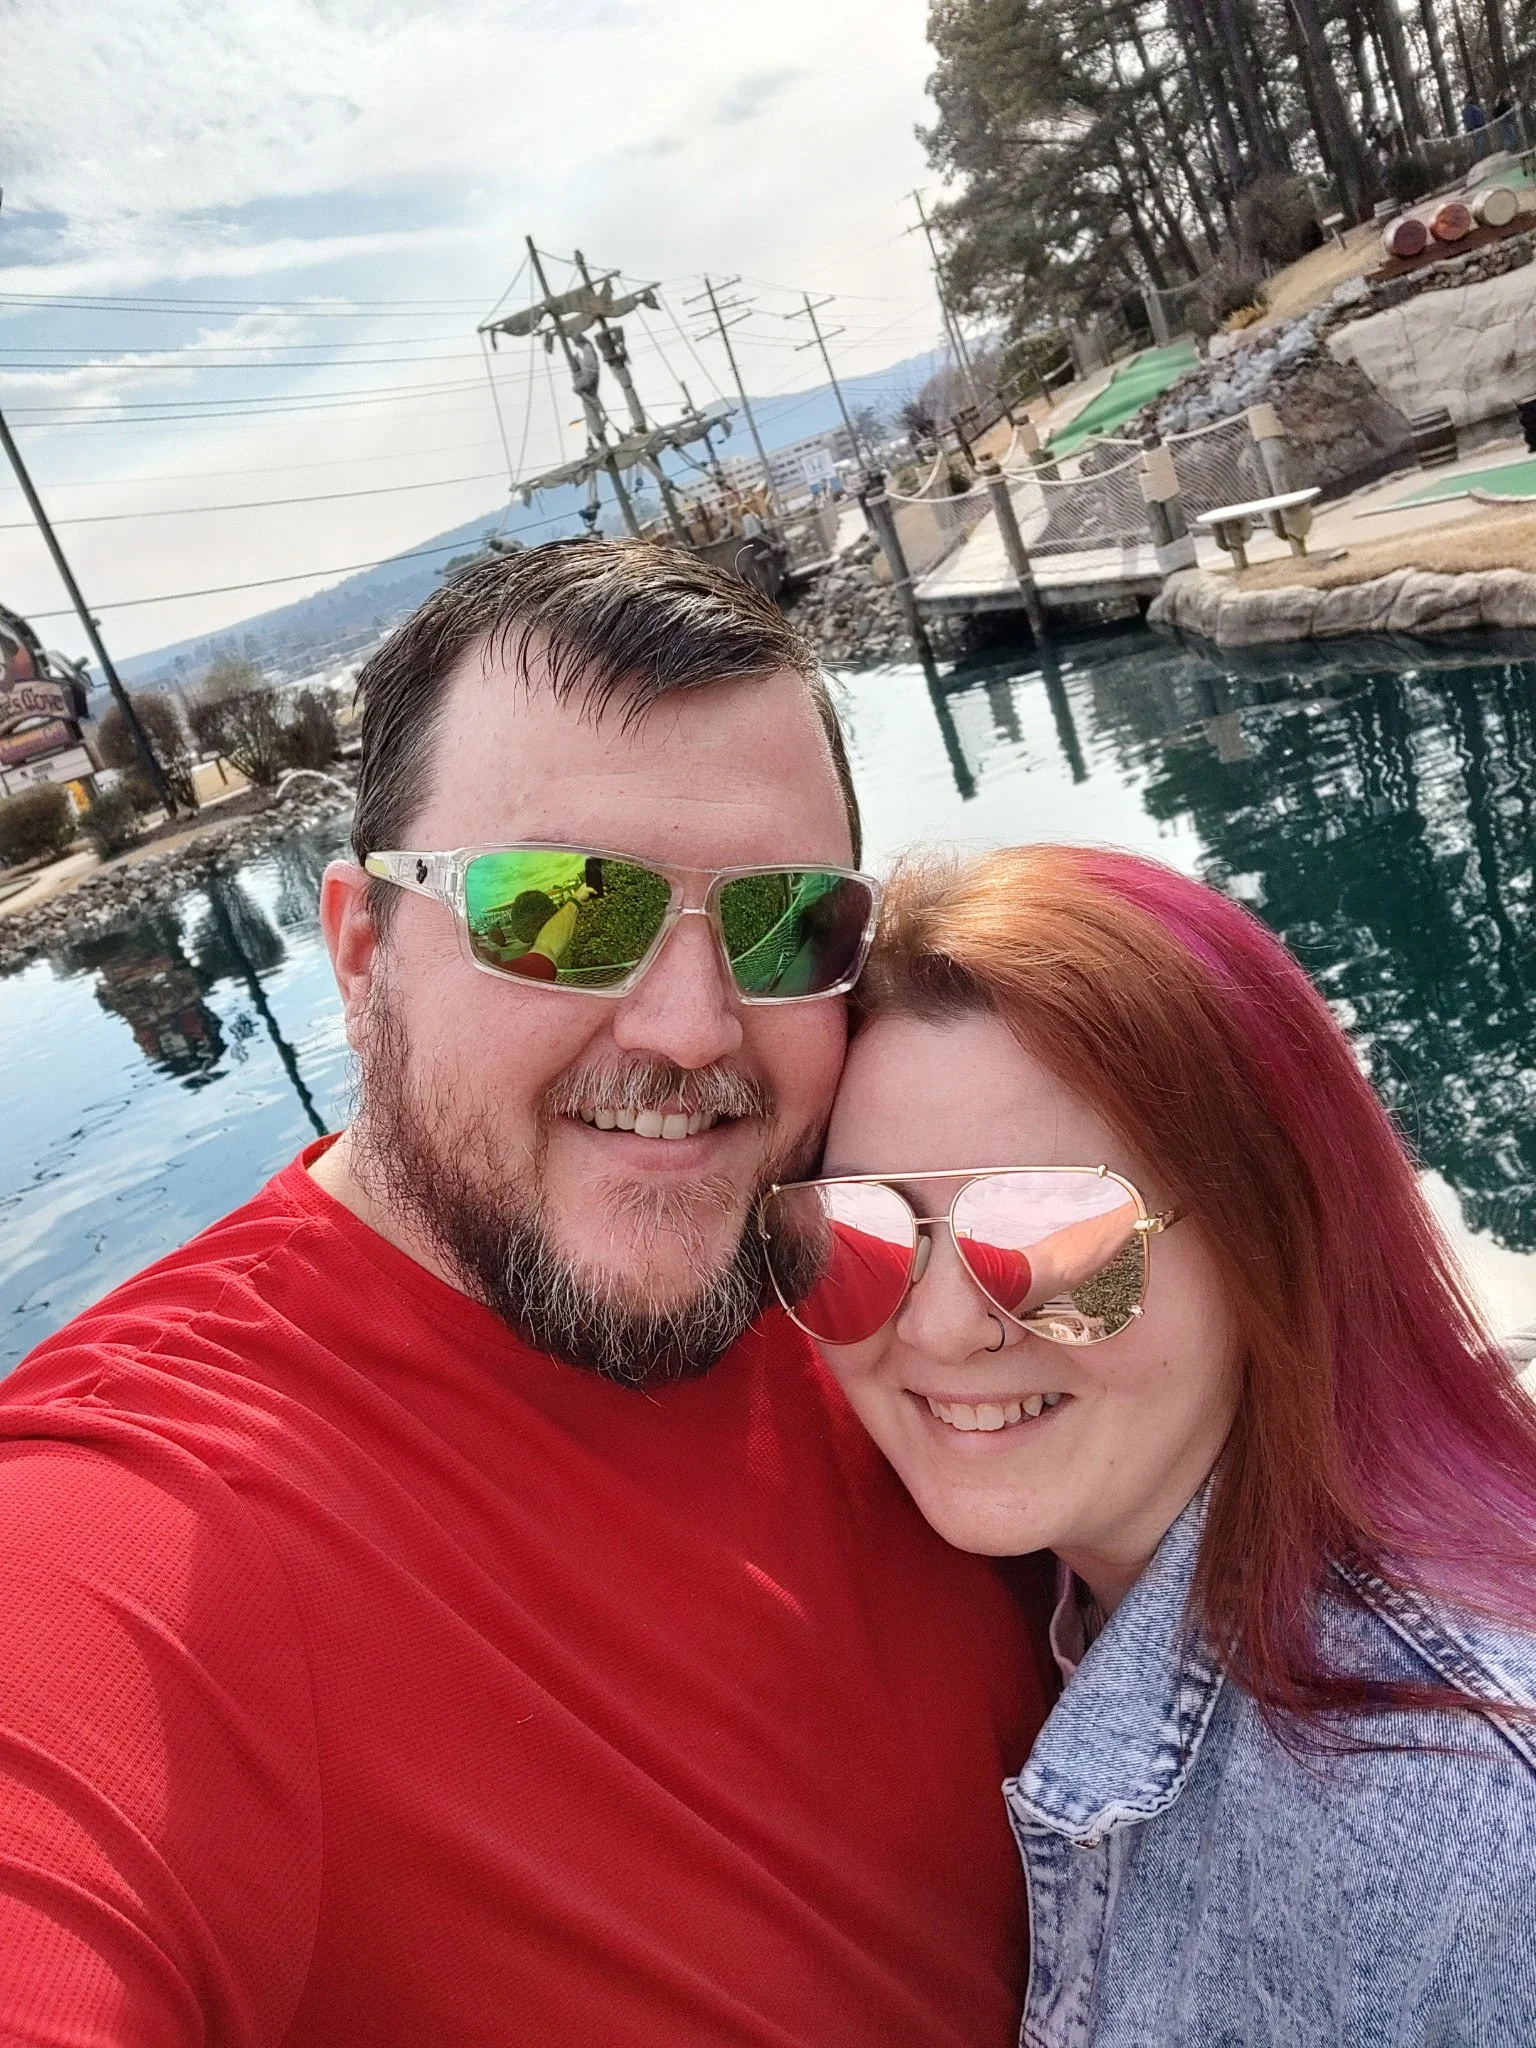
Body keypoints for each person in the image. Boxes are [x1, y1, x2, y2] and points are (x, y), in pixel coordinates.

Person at [0, 544, 1056, 2047]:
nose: (695, 1029)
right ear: (364, 952)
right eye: (563, 912)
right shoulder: (143, 1530)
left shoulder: (896, 1281)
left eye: (781, 925)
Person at [760, 843, 1536, 2045]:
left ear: (1268, 1235)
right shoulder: (1060, 1581)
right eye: (862, 1229)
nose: (942, 1325)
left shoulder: (1448, 1820)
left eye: (1060, 1237)